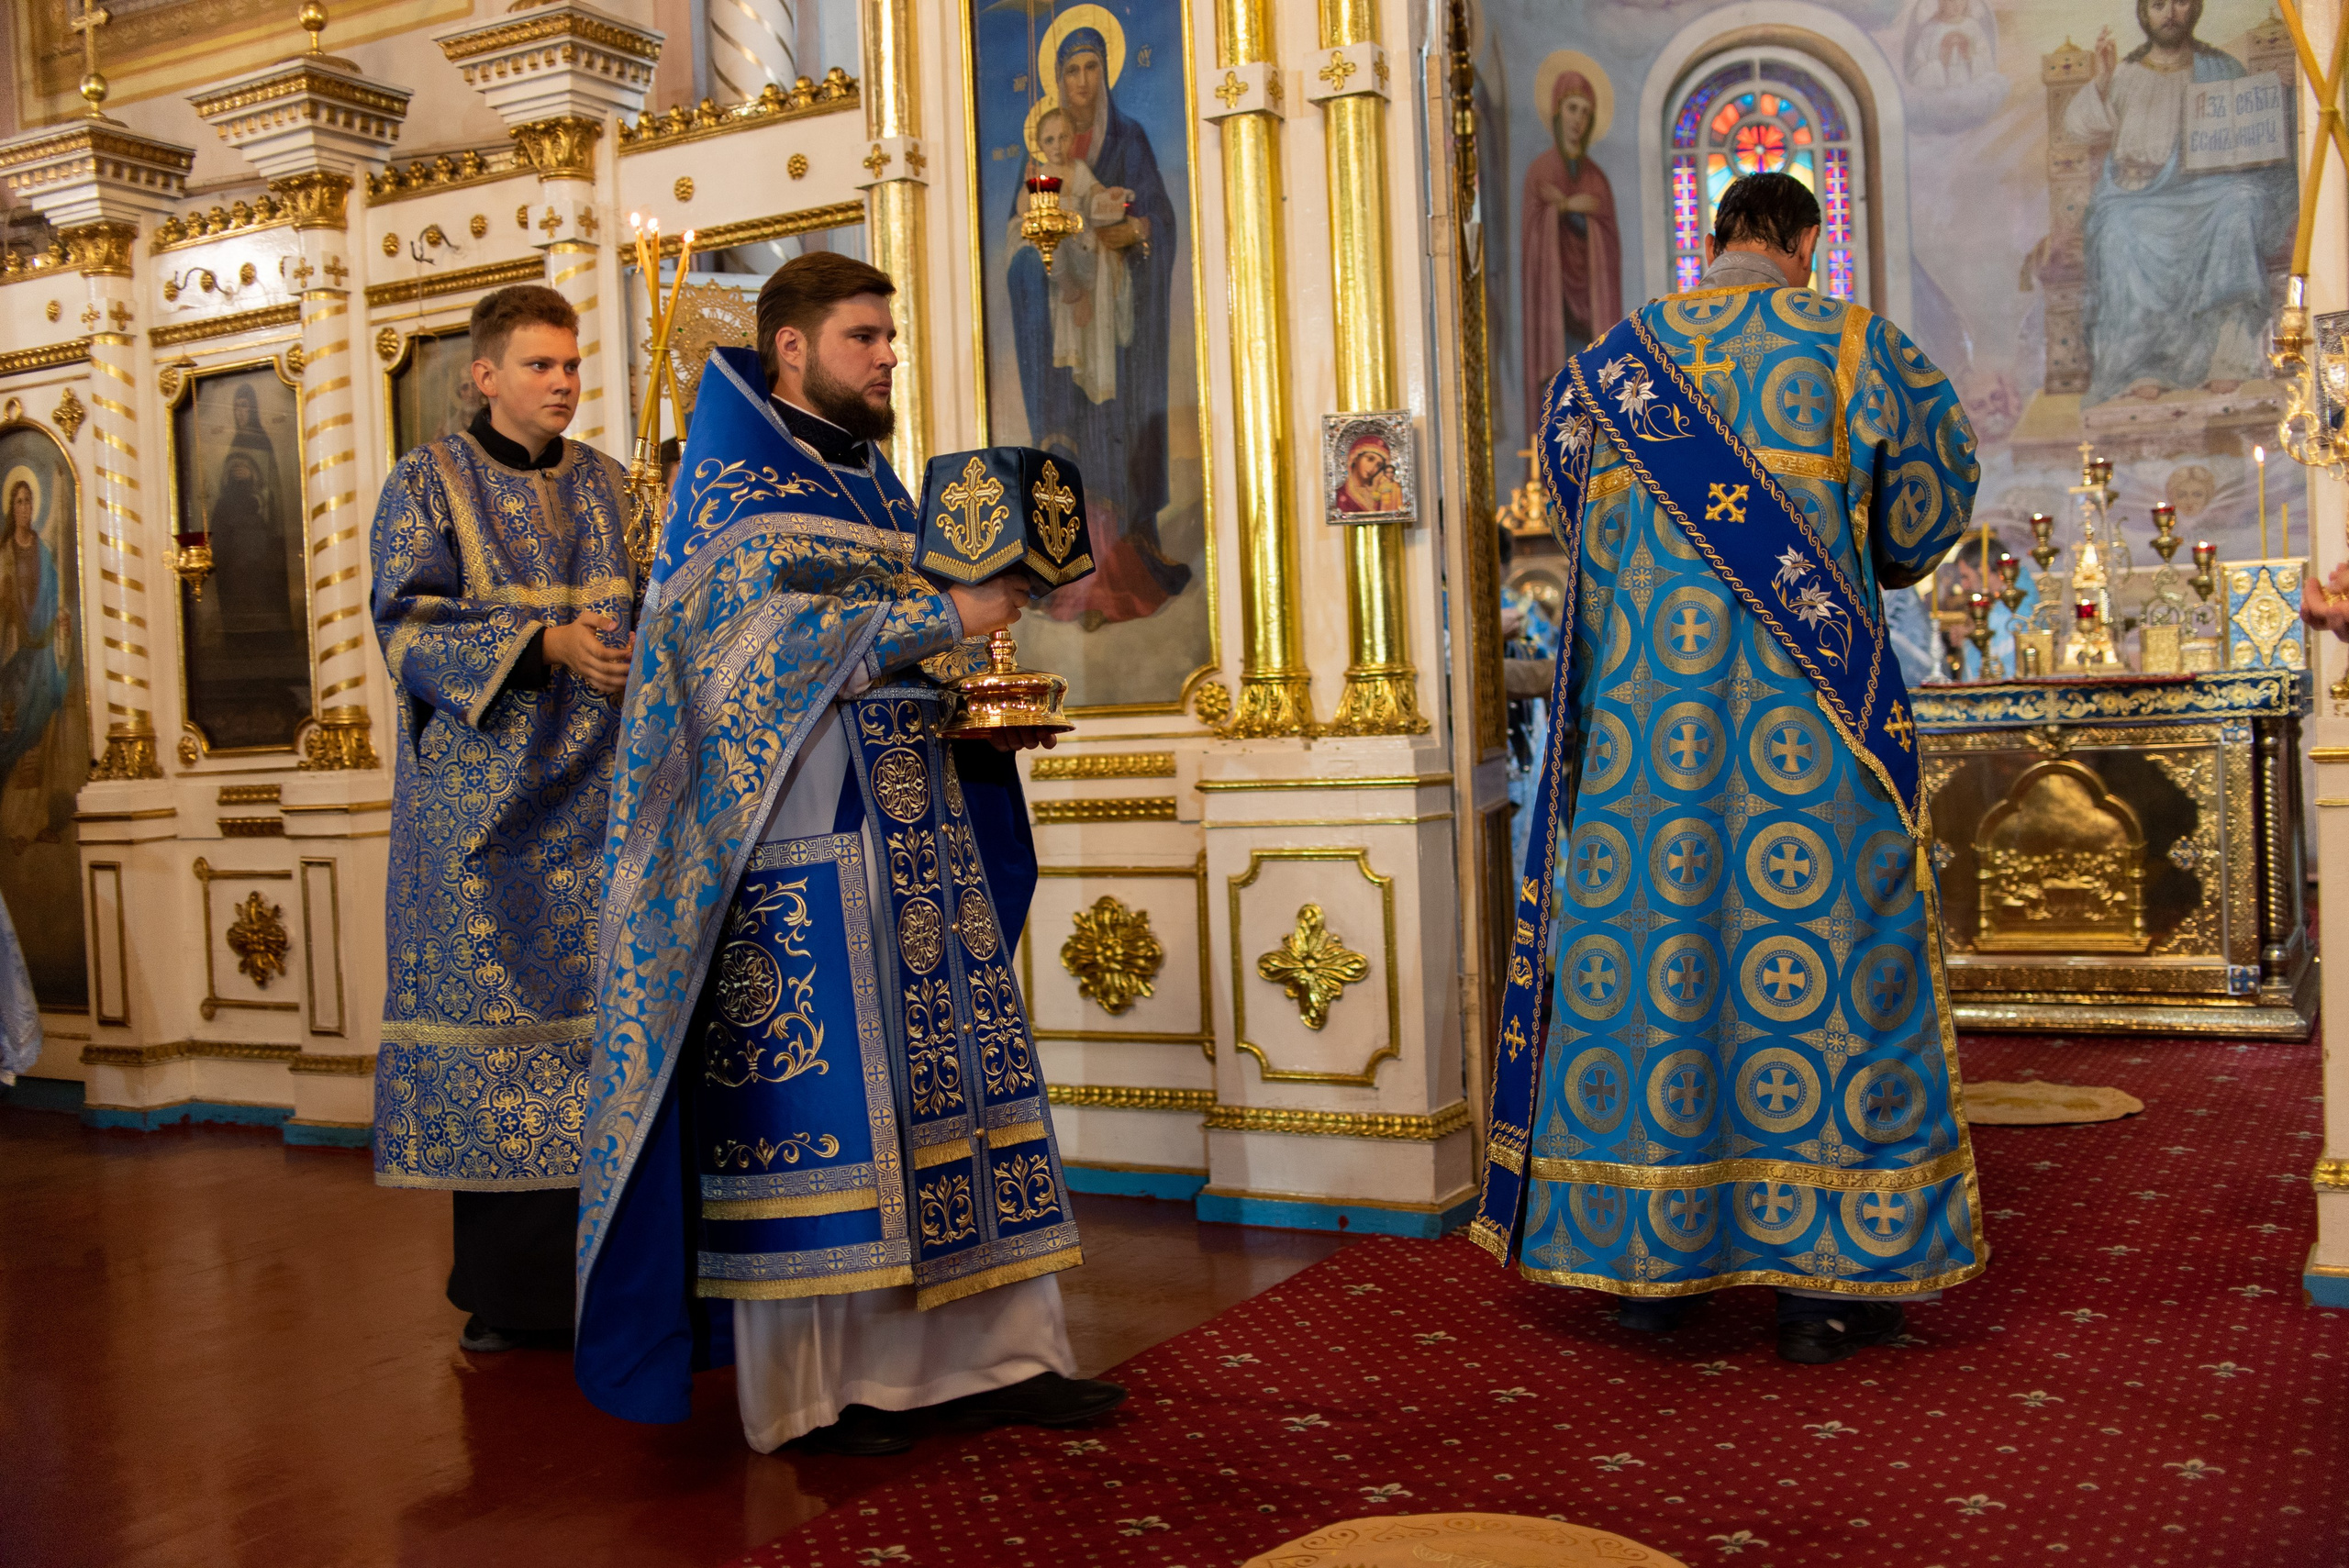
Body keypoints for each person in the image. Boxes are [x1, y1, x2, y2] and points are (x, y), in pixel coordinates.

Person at [573, 252, 1124, 1456]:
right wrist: (940, 616)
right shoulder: (728, 488)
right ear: (792, 348)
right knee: (837, 1123)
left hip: (919, 834)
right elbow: (748, 656)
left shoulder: (877, 485)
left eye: (889, 335)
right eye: (866, 336)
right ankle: (823, 1396)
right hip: (799, 854)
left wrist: (983, 638)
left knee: (960, 1104)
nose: (887, 354)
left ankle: (1001, 1358)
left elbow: (901, 632)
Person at [1472, 172, 1986, 1364]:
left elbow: (1561, 516)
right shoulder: (1861, 349)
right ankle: (1828, 1291)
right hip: (1822, 745)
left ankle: (1651, 1273)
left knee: (1659, 983)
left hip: (1645, 764)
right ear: (1807, 239)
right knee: (1838, 993)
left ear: (1711, 242)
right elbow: (1923, 515)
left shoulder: (1602, 375)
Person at [369, 284, 637, 1355]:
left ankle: (617, 1273)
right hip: (484, 821)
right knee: (503, 1050)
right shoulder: (427, 482)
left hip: (608, 804)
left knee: (608, 1047)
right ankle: (513, 1297)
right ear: (485, 375)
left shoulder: (615, 486)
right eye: (539, 366)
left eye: (571, 365)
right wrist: (550, 646)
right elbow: (405, 621)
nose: (562, 382)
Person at [1008, 23, 1190, 626]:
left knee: (1116, 429)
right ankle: (1072, 579)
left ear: (1104, 73)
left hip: (1118, 332)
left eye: (1090, 68)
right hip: (1061, 337)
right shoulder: (1042, 157)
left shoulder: (1129, 139)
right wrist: (1046, 267)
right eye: (1070, 71)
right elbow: (1023, 236)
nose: (1081, 81)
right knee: (1068, 444)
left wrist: (1134, 233)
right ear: (1056, 80)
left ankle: (1118, 573)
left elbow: (1157, 219)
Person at [2064, 0, 2294, 404]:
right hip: (2137, 196)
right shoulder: (2126, 74)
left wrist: (2281, 98)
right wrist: (2101, 81)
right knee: (2117, 228)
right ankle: (2141, 366)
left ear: (2196, 9)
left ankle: (2231, 358)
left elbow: (2254, 134)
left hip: (2209, 193)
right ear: (2144, 14)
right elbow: (2079, 128)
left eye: (2181, 2)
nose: (2170, 13)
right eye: (2158, 4)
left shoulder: (2222, 68)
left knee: (2240, 204)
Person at [1520, 67, 1621, 444]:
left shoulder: (1597, 179)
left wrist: (1582, 213)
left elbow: (1608, 245)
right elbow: (1533, 238)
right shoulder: (1540, 172)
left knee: (1591, 382)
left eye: (1585, 112)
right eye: (1572, 109)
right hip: (1553, 306)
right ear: (1557, 112)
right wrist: (1557, 212)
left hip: (1591, 308)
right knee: (1560, 388)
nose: (1578, 120)